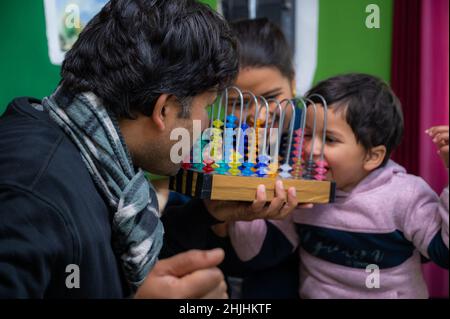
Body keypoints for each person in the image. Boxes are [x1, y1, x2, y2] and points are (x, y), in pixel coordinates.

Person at [0, 0, 258, 298]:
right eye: (208, 108)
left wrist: (206, 215)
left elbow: (97, 265)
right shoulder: (31, 194)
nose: (208, 125)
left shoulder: (91, 161)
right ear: (165, 110)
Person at [228, 73, 449, 298]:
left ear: (372, 157)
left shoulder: (405, 196)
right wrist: (248, 197)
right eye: (306, 134)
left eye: (330, 139)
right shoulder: (300, 190)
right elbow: (256, 254)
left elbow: (444, 253)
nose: (310, 149)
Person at [160, 18, 302, 298]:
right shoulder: (203, 150)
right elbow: (172, 236)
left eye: (271, 97)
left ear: (293, 83)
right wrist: (213, 220)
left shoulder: (309, 146)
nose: (257, 115)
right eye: (238, 102)